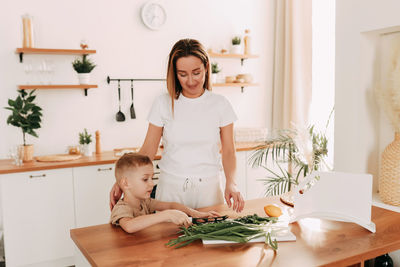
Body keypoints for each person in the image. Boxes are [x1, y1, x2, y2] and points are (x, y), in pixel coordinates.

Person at [110, 38, 244, 212]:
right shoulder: (163, 103)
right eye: (182, 74)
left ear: (206, 68)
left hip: (209, 189)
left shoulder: (220, 104)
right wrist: (122, 181)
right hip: (171, 190)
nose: (190, 81)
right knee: (169, 239)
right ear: (174, 73)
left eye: (196, 73)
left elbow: (228, 151)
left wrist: (231, 183)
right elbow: (148, 149)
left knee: (210, 238)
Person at [110, 153, 220, 233]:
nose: (152, 184)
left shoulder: (145, 202)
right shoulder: (121, 208)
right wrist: (167, 214)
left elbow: (171, 205)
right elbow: (129, 226)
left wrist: (194, 213)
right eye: (145, 179)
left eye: (152, 178)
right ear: (126, 183)